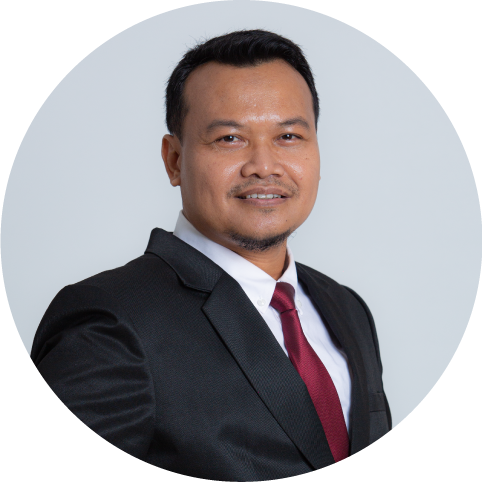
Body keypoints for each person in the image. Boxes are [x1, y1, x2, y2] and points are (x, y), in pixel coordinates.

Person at [31, 29, 391, 479]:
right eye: (229, 139)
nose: (264, 166)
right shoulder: (110, 321)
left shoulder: (346, 308)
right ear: (174, 160)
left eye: (289, 136)